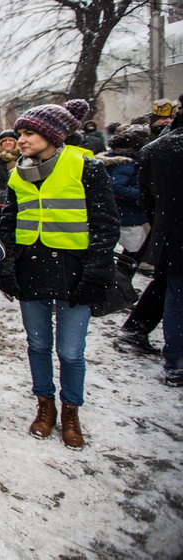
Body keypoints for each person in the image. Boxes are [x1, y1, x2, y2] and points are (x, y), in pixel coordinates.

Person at [0, 99, 119, 450]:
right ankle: (44, 405)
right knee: (37, 344)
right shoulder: (17, 173)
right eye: (19, 133)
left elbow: (105, 224)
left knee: (70, 351)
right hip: (31, 268)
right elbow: (9, 220)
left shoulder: (85, 167)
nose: (21, 140)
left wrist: (96, 269)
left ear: (51, 135)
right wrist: (5, 264)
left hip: (74, 270)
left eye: (29, 133)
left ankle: (71, 412)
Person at [135, 95, 183, 387]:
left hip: (171, 235)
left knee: (175, 295)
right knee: (174, 296)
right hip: (171, 233)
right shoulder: (160, 147)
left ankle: (175, 362)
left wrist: (162, 224)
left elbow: (147, 199)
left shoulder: (157, 148)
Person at [96, 125, 151, 263]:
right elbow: (116, 186)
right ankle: (122, 282)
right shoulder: (126, 163)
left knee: (123, 253)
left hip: (116, 213)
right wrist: (141, 195)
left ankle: (119, 281)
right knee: (132, 254)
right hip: (128, 215)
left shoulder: (109, 160)